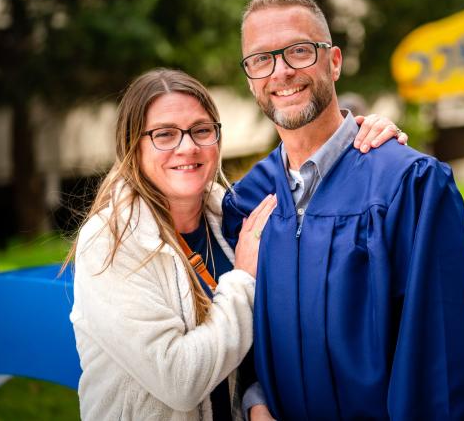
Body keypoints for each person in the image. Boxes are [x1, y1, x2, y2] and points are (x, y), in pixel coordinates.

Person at [67, 68, 404, 420]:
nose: (188, 147)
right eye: (164, 134)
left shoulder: (231, 213)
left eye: (201, 130)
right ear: (132, 145)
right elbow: (180, 380)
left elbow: (255, 339)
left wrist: (364, 142)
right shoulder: (110, 243)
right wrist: (242, 278)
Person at [224, 0, 464, 420]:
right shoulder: (247, 201)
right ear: (251, 78)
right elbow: (236, 329)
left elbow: (437, 361)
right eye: (261, 59)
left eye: (299, 51)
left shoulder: (409, 186)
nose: (281, 71)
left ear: (334, 61)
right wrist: (255, 401)